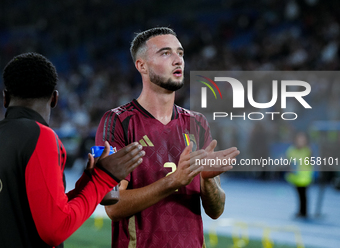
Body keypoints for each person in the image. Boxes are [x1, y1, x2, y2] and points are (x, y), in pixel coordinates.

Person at [95, 27, 240, 247]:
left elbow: (216, 211)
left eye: (180, 53)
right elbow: (113, 207)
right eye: (165, 53)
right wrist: (173, 181)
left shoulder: (197, 122)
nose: (177, 60)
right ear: (141, 65)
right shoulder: (117, 121)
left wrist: (208, 180)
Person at [0, 52, 145, 248]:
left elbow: (36, 209)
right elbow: (55, 230)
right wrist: (104, 179)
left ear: (5, 98)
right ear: (54, 98)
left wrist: (88, 182)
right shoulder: (41, 136)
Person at [285, 132, 313, 218]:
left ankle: (304, 212)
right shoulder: (291, 150)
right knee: (299, 195)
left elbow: (310, 162)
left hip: (305, 177)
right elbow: (288, 162)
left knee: (303, 195)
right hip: (295, 177)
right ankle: (301, 211)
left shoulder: (307, 150)